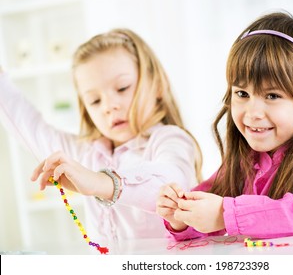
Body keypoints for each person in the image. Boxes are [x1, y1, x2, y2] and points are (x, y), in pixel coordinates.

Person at [156, 11, 293, 241]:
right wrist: (181, 214)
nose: (253, 113)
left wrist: (227, 214)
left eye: (272, 96)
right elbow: (209, 203)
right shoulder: (245, 158)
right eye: (242, 93)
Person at [0, 28, 202, 245]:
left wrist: (101, 182)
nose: (109, 106)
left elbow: (170, 185)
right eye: (95, 101)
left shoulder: (171, 140)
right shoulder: (84, 152)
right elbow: (27, 125)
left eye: (122, 88)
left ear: (158, 86)